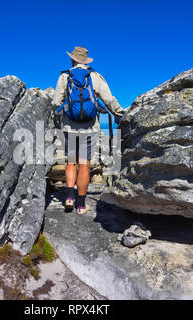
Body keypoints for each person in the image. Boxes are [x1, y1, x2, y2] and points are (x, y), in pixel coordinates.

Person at [53, 46, 125, 215]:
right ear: (85, 61)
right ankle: (81, 204)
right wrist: (119, 113)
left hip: (69, 126)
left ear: (72, 60)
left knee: (71, 162)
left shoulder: (65, 76)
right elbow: (108, 98)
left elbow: (56, 102)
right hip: (90, 127)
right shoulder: (94, 76)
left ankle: (69, 197)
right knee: (84, 164)